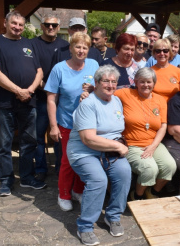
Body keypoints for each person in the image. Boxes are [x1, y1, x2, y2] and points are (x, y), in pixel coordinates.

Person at [67, 65, 131, 245]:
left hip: (109, 151)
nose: (110, 85)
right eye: (106, 81)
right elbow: (88, 139)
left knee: (124, 173)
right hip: (84, 152)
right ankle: (85, 226)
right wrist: (118, 147)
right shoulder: (88, 103)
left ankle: (113, 216)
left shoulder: (116, 101)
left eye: (114, 81)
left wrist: (116, 145)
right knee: (98, 180)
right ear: (96, 83)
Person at [0, 11, 46, 197]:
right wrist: (18, 91)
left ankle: (26, 177)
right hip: (5, 102)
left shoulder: (28, 44)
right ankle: (6, 181)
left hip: (28, 101)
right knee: (4, 144)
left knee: (28, 142)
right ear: (5, 23)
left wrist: (29, 90)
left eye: (21, 25)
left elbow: (39, 71)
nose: (17, 27)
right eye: (14, 23)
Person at [45, 32, 99, 211]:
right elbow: (51, 99)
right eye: (78, 46)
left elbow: (100, 90)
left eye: (85, 47)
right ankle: (64, 194)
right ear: (70, 48)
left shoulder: (93, 65)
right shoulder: (59, 69)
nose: (81, 50)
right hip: (67, 122)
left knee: (86, 159)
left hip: (89, 124)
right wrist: (53, 126)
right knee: (68, 161)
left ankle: (78, 190)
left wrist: (93, 88)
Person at [114, 68, 176, 200]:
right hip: (132, 145)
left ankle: (153, 192)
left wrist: (153, 146)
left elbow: (163, 125)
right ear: (136, 82)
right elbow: (105, 91)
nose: (146, 85)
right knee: (149, 169)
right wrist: (89, 92)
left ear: (154, 83)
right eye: (142, 82)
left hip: (154, 143)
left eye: (149, 82)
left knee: (169, 166)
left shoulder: (160, 100)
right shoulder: (125, 93)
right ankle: (137, 195)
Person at [32, 14, 69, 181]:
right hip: (40, 98)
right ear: (41, 26)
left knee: (59, 137)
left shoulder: (65, 46)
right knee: (38, 136)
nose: (51, 27)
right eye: (47, 24)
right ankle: (40, 169)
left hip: (60, 100)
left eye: (54, 25)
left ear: (59, 26)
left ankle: (60, 169)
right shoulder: (33, 44)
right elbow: (31, 70)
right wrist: (47, 89)